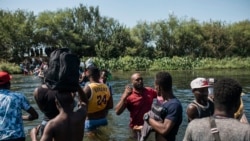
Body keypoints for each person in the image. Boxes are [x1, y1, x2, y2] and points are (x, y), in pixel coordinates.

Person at [183, 78, 250, 141]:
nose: (205, 93)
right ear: (237, 105)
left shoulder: (193, 126)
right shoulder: (246, 131)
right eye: (201, 91)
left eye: (206, 90)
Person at [141, 71, 183, 141]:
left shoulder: (174, 105)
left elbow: (164, 129)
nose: (155, 88)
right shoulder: (165, 103)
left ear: (159, 87)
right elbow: (159, 125)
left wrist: (147, 118)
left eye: (155, 86)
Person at [115, 72, 157, 139]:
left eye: (141, 79)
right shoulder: (129, 96)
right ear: (132, 82)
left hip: (148, 127)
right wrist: (124, 96)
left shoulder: (149, 91)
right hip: (136, 128)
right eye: (137, 80)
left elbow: (162, 94)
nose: (140, 81)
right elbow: (117, 112)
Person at [0, 71, 39, 141]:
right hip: (17, 137)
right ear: (9, 83)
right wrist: (21, 117)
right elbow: (35, 115)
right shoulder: (18, 97)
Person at [83, 66, 113, 134]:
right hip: (103, 119)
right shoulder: (107, 87)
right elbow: (110, 106)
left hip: (91, 121)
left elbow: (81, 106)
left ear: (88, 75)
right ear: (99, 75)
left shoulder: (88, 88)